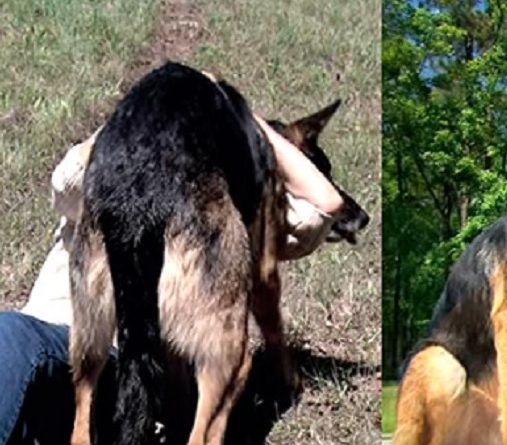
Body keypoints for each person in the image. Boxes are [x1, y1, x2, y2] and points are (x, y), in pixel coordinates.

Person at [0, 117, 344, 445]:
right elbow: (66, 180)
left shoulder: (222, 216)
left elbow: (324, 206)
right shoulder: (106, 183)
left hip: (115, 375)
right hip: (45, 358)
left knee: (10, 333)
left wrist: (246, 118)